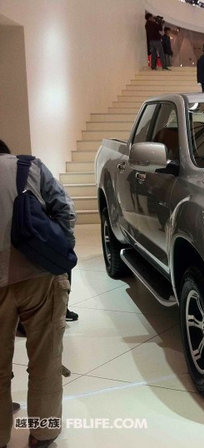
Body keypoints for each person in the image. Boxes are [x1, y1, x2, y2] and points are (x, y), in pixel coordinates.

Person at [0, 140, 76, 448]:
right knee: (46, 360)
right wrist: (60, 253)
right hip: (39, 277)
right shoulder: (28, 166)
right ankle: (43, 435)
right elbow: (65, 210)